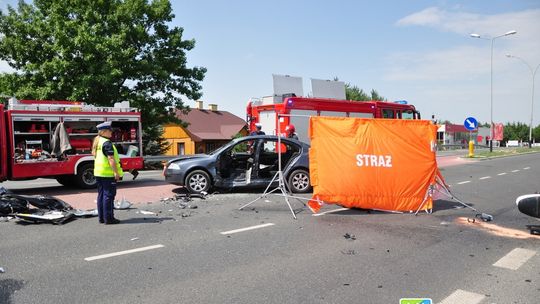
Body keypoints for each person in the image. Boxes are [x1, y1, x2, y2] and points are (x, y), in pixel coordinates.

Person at [92, 121, 124, 225]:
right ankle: (109, 219)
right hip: (107, 174)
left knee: (101, 195)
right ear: (104, 131)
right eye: (110, 130)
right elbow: (111, 159)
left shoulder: (98, 141)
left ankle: (102, 218)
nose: (111, 132)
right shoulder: (107, 143)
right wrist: (116, 172)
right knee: (108, 196)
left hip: (98, 173)